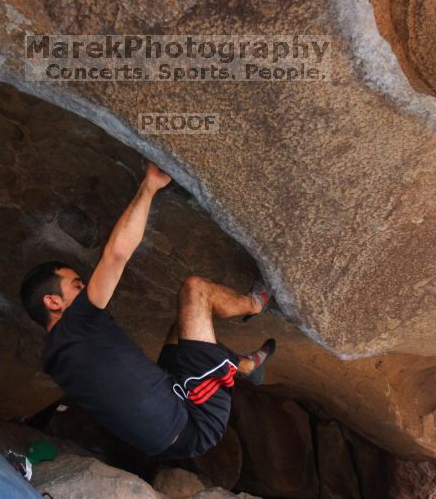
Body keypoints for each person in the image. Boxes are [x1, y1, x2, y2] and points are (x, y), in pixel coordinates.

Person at [20, 162, 276, 459]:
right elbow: (116, 254)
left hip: (169, 416)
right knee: (195, 291)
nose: (85, 287)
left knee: (184, 325)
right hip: (194, 417)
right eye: (77, 285)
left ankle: (245, 367)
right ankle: (254, 304)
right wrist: (150, 185)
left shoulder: (55, 358)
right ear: (53, 302)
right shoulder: (76, 324)